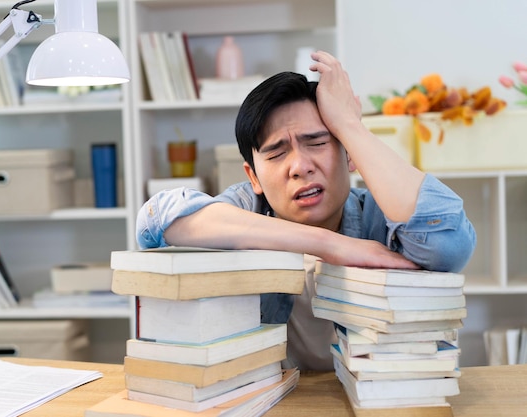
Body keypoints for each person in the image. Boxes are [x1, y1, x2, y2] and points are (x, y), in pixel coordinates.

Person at [135, 51, 476, 371]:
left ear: (350, 153)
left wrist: (350, 126)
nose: (299, 166)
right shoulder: (247, 208)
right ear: (253, 176)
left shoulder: (382, 218)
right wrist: (331, 244)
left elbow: (449, 246)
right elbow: (157, 220)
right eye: (277, 153)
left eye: (317, 142)